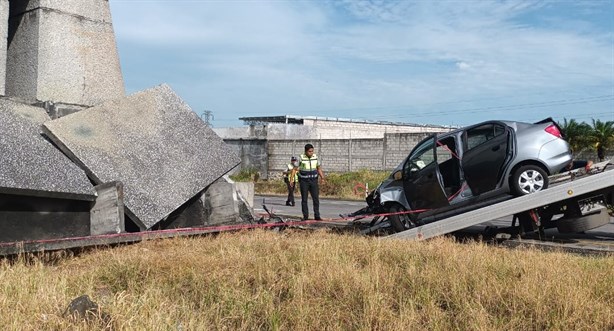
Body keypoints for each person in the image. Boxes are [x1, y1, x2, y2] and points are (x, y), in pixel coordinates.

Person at [292, 144, 325, 220]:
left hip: (313, 181)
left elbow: (319, 168)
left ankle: (317, 216)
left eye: (312, 151)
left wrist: (322, 178)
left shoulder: (315, 157)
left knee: (316, 199)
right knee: (304, 199)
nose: (311, 153)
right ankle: (305, 216)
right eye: (310, 151)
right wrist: (292, 180)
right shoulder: (300, 158)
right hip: (304, 181)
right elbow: (294, 169)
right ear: (306, 151)